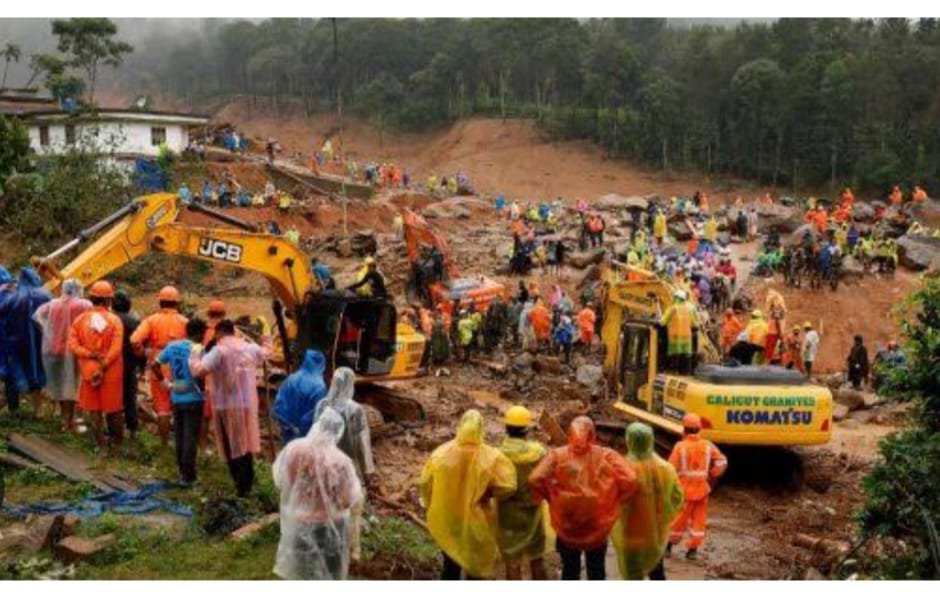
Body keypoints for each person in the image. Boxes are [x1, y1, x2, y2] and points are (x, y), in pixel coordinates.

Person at [529, 416, 637, 580]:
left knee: (570, 569)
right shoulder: (607, 455)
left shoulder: (557, 455)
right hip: (597, 525)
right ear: (592, 434)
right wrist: (617, 499)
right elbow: (630, 479)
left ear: (570, 434)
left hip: (567, 524)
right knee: (596, 569)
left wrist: (551, 496)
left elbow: (535, 479)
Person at [420, 409, 517, 580]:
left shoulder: (441, 454)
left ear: (460, 425)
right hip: (476, 520)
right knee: (475, 568)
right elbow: (509, 486)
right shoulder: (492, 457)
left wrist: (429, 505)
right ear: (481, 429)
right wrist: (490, 492)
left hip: (448, 519)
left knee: (450, 565)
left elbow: (426, 483)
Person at [273, 408, 364, 580]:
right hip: (330, 526)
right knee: (331, 575)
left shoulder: (294, 450)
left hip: (299, 522)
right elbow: (348, 500)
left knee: (301, 573)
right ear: (338, 432)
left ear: (317, 425)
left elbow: (281, 481)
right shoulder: (341, 461)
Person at [191, 319, 270, 497]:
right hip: (247, 405)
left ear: (219, 332)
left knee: (232, 446)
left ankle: (240, 486)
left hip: (226, 405)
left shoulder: (219, 350)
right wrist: (266, 335)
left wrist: (195, 355)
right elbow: (266, 353)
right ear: (233, 331)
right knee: (246, 445)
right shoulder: (248, 347)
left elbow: (199, 370)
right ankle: (247, 485)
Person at [313, 367, 375, 561]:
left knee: (328, 505)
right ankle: (352, 552)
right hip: (348, 467)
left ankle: (326, 545)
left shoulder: (322, 405)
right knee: (352, 509)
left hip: (324, 464)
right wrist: (368, 472)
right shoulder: (355, 409)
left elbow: (315, 436)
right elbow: (362, 445)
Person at [611, 423, 684, 580]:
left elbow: (610, 499)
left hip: (630, 532)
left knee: (632, 575)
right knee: (657, 571)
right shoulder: (666, 468)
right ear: (651, 440)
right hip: (655, 531)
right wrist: (665, 516)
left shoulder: (621, 468)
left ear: (629, 440)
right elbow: (677, 497)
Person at [68, 281, 124, 456]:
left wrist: (89, 354)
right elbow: (116, 348)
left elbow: (72, 344)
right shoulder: (115, 320)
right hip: (111, 370)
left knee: (94, 411)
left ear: (91, 298)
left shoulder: (79, 320)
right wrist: (104, 364)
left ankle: (101, 447)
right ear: (108, 300)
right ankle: (116, 446)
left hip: (88, 370)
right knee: (113, 410)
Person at [496, 406, 551, 580]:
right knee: (536, 557)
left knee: (512, 560)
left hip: (508, 512)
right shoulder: (538, 452)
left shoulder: (498, 455)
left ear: (506, 429)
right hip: (532, 510)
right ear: (526, 430)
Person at [131, 285, 188, 446]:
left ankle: (164, 444)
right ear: (177, 303)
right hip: (180, 366)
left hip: (159, 365)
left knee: (162, 409)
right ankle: (181, 444)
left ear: (160, 302)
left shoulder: (151, 320)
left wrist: (143, 353)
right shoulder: (184, 321)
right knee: (180, 405)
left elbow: (135, 341)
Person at [32, 278, 91, 431]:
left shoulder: (53, 304)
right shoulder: (83, 304)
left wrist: (48, 331)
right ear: (78, 289)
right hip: (73, 351)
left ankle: (63, 417)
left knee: (59, 384)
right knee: (71, 386)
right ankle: (68, 422)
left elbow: (36, 316)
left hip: (53, 350)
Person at [667, 413, 728, 560]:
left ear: (684, 429)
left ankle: (667, 547)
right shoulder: (708, 445)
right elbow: (722, 461)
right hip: (702, 490)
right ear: (699, 429)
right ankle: (693, 551)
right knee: (698, 521)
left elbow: (670, 469)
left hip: (684, 490)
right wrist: (713, 474)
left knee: (678, 520)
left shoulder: (680, 446)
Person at [155, 318, 207, 485]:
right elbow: (201, 373)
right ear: (199, 333)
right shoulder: (198, 349)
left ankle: (181, 471)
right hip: (193, 394)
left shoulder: (173, 346)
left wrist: (164, 382)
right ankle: (189, 476)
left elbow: (155, 364)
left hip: (177, 392)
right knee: (190, 436)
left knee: (180, 434)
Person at [0, 267, 51, 415]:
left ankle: (13, 409)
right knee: (38, 372)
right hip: (40, 341)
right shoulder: (45, 295)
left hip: (15, 342)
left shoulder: (11, 296)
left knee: (12, 375)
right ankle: (38, 411)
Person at [273, 350, 328, 446]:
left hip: (288, 434)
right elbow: (317, 413)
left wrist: (288, 426)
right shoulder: (319, 386)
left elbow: (279, 405)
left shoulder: (291, 379)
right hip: (308, 438)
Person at [111, 291, 143, 438]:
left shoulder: (108, 320)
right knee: (130, 398)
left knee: (112, 398)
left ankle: (113, 431)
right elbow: (140, 345)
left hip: (110, 364)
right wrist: (141, 366)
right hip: (129, 364)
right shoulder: (134, 322)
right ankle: (132, 431)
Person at [662, 291, 696, 375]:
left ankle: (674, 371)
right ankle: (686, 372)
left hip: (675, 335)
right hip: (687, 337)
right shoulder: (689, 309)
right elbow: (693, 323)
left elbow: (663, 322)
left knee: (675, 354)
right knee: (685, 354)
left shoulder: (673, 308)